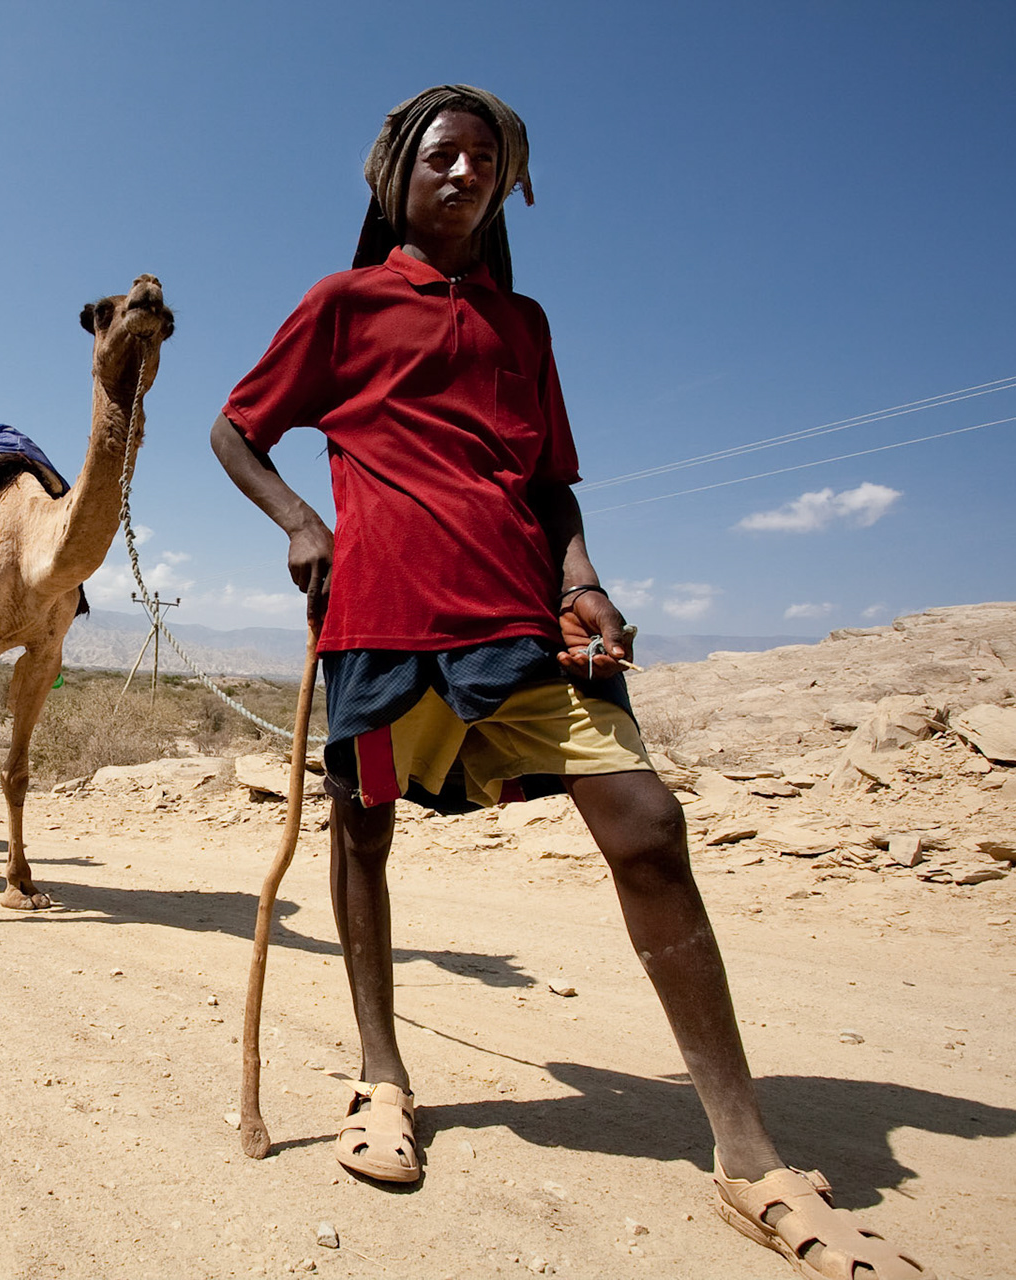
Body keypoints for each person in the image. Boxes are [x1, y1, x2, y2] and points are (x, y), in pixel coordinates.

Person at [211, 85, 928, 1280]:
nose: (466, 174)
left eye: (486, 161)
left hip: (513, 621)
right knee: (364, 829)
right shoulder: (340, 306)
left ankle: (748, 1156)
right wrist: (298, 520)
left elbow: (550, 483)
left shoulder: (523, 324)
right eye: (445, 155)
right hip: (381, 634)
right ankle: (381, 1076)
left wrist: (584, 576)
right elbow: (238, 427)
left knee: (647, 823)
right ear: (399, 175)